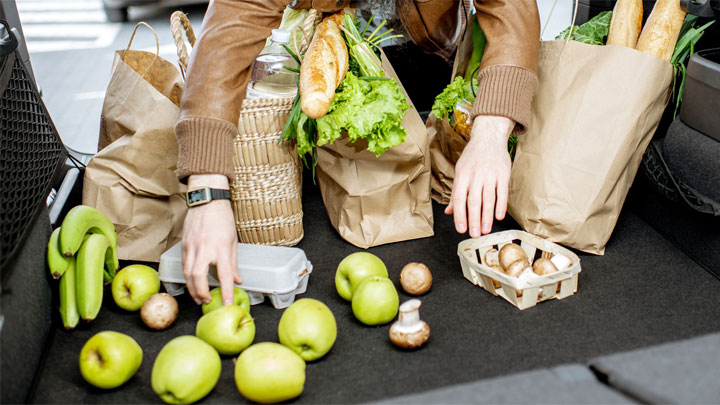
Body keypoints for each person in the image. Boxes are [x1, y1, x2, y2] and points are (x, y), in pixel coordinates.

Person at [175, 0, 539, 306]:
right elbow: (234, 21)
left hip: (434, 63)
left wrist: (490, 132)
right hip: (334, 80)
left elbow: (510, 7)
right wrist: (207, 190)